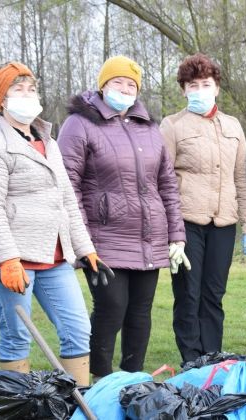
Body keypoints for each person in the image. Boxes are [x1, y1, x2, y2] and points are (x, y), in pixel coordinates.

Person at [0, 62, 109, 386]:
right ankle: (14, 402)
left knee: (77, 330)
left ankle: (78, 403)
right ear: (1, 99)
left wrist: (87, 250)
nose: (27, 95)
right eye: (17, 90)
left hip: (54, 257)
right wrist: (7, 259)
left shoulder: (49, 141)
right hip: (10, 260)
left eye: (31, 89)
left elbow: (67, 201)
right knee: (18, 335)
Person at [58, 55, 187, 380]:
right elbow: (66, 184)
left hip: (148, 239)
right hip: (104, 240)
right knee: (111, 309)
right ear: (103, 86)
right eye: (118, 82)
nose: (125, 89)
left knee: (140, 313)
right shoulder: (80, 123)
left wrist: (177, 235)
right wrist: (81, 241)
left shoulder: (150, 128)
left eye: (131, 84)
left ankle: (132, 380)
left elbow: (167, 185)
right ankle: (98, 380)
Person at [160, 53, 246, 366]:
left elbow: (241, 178)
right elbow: (162, 180)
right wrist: (170, 231)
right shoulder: (172, 126)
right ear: (184, 90)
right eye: (193, 85)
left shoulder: (232, 125)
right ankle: (191, 357)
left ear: (217, 88)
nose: (199, 89)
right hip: (186, 223)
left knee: (214, 294)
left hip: (224, 223)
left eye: (206, 84)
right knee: (189, 294)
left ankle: (212, 356)